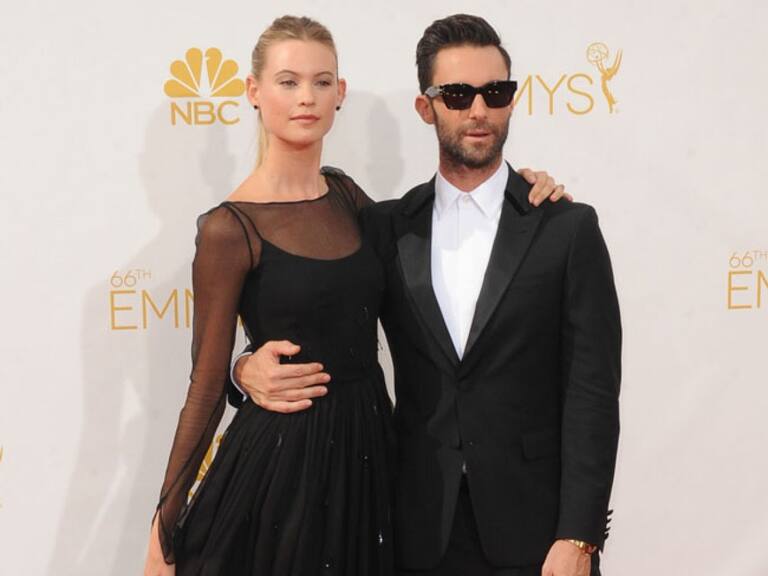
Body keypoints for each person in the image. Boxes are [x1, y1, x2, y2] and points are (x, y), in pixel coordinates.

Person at [143, 15, 566, 576]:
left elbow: (432, 236)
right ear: (253, 91)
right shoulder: (229, 228)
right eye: (288, 81)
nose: (306, 97)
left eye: (321, 82)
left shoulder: (349, 199)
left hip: (370, 458)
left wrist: (516, 191)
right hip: (285, 464)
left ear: (340, 93)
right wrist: (164, 529)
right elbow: (204, 385)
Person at [232, 14, 621, 576]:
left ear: (512, 101)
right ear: (425, 107)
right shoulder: (386, 227)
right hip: (415, 529)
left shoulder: (566, 227)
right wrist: (243, 368)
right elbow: (319, 311)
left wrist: (579, 536)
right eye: (458, 95)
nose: (479, 110)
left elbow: (593, 392)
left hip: (540, 535)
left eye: (495, 92)